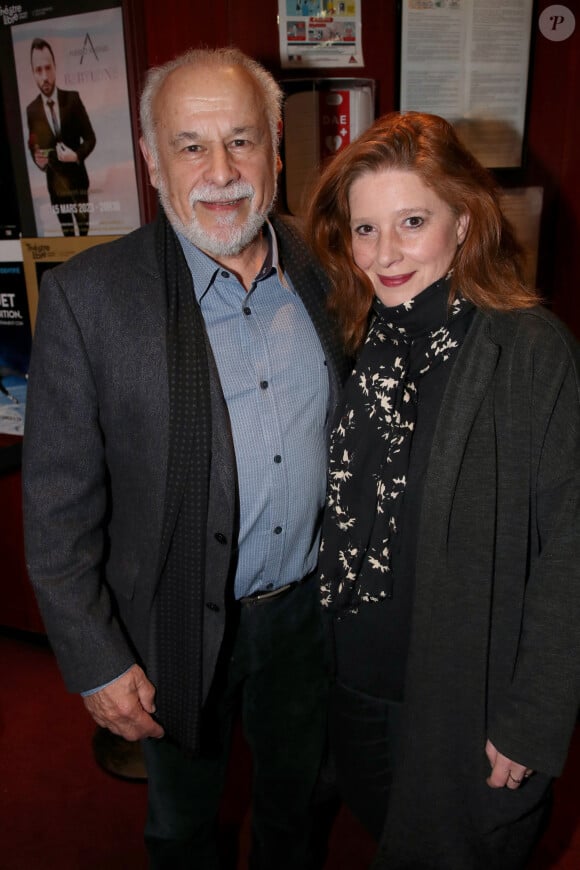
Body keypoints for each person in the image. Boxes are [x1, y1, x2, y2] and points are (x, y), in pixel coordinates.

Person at [22, 46, 348, 869]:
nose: (221, 170)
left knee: (301, 803)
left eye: (241, 139)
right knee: (182, 827)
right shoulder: (88, 299)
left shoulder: (332, 268)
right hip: (169, 629)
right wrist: (97, 659)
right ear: (150, 158)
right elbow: (57, 508)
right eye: (190, 144)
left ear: (276, 146)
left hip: (310, 618)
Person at [305, 111, 580, 869]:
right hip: (352, 682)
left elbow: (570, 555)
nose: (385, 254)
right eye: (366, 230)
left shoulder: (529, 351)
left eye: (412, 222)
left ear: (464, 221)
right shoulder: (354, 336)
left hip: (461, 696)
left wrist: (534, 718)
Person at [26, 37, 96, 236]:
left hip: (78, 184)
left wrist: (75, 156)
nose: (45, 76)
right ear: (33, 73)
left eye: (48, 68)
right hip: (55, 188)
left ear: (55, 67)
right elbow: (33, 144)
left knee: (85, 238)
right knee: (66, 241)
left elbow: (90, 138)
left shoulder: (72, 99)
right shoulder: (32, 110)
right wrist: (37, 159)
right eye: (39, 70)